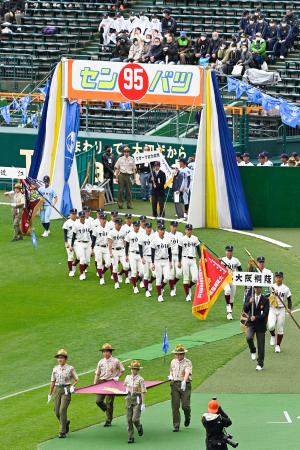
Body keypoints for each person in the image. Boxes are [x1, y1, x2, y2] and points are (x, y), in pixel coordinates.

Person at [48, 349, 78, 439]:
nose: (60, 359)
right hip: (57, 390)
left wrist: (72, 386)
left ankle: (62, 432)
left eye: (62, 357)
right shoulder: (55, 369)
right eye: (58, 358)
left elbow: (76, 379)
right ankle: (66, 422)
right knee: (56, 411)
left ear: (65, 359)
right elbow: (53, 382)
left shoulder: (70, 368)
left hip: (66, 389)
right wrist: (49, 394)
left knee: (62, 410)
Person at [94, 343, 125, 427]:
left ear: (110, 352)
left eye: (107, 351)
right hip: (101, 382)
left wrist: (117, 377)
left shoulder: (116, 361)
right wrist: (94, 384)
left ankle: (109, 419)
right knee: (98, 401)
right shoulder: (100, 362)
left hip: (111, 383)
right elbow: (97, 374)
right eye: (104, 352)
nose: (105, 353)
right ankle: (107, 410)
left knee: (109, 402)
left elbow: (122, 370)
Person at [243, 286, 270, 371]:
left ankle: (260, 363)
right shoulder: (249, 297)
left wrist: (256, 318)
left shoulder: (265, 300)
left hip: (260, 325)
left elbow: (265, 313)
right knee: (249, 337)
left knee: (261, 345)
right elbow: (245, 309)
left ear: (261, 288)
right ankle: (253, 350)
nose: (256, 289)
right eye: (255, 288)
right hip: (251, 323)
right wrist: (249, 303)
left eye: (258, 288)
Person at [168, 344, 192, 432]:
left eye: (180, 354)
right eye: (177, 354)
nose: (178, 356)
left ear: (183, 354)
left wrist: (184, 381)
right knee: (175, 406)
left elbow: (187, 372)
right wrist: (170, 376)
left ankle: (187, 416)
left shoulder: (187, 362)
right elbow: (171, 370)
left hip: (185, 385)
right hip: (174, 385)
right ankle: (176, 425)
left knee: (185, 406)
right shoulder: (173, 361)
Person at [268, 272, 292, 353]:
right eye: (277, 277)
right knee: (271, 326)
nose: (278, 279)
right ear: (275, 278)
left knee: (280, 329)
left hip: (281, 309)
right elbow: (266, 296)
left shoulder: (286, 288)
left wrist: (289, 308)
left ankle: (278, 345)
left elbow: (289, 300)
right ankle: (272, 335)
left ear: (282, 278)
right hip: (272, 308)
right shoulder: (271, 287)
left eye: (280, 277)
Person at [124, 360, 146, 444]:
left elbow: (142, 392)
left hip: (137, 399)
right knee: (128, 419)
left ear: (138, 370)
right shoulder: (127, 377)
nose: (134, 370)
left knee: (135, 419)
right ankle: (130, 437)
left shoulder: (141, 379)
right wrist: (127, 391)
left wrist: (143, 403)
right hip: (129, 398)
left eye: (136, 369)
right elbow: (125, 385)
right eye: (133, 369)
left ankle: (139, 427)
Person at [178, 224, 201, 302]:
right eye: (188, 229)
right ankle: (187, 295)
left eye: (190, 229)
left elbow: (198, 249)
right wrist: (179, 261)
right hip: (185, 259)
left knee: (195, 278)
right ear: (185, 230)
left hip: (193, 260)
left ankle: (189, 287)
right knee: (186, 278)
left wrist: (200, 258)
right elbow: (179, 251)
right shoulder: (182, 239)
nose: (189, 231)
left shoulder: (195, 238)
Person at [151, 224, 172, 302]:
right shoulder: (154, 240)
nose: (162, 231)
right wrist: (152, 263)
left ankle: (161, 288)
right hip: (157, 261)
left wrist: (170, 261)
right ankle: (159, 295)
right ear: (157, 230)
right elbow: (152, 253)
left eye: (163, 229)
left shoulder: (167, 240)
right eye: (161, 229)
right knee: (158, 278)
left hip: (166, 261)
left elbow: (170, 252)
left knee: (167, 277)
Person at [221, 246, 243, 320]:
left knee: (232, 298)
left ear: (232, 252)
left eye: (230, 251)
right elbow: (220, 269)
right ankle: (228, 309)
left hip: (233, 280)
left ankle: (229, 314)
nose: (229, 252)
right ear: (225, 252)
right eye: (228, 251)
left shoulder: (236, 260)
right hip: (225, 280)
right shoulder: (222, 260)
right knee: (227, 290)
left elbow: (240, 270)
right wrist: (222, 263)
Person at [70, 211, 92, 281]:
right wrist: (71, 245)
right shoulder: (76, 224)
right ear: (79, 217)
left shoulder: (88, 223)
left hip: (88, 243)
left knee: (87, 262)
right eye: (81, 217)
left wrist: (92, 244)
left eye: (84, 217)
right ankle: (82, 274)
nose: (83, 218)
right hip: (79, 243)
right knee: (82, 259)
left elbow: (91, 234)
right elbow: (73, 236)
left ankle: (75, 265)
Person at [108, 218, 130, 288]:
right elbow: (110, 244)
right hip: (114, 251)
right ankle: (116, 283)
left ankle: (120, 274)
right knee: (115, 267)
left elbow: (125, 242)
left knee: (126, 266)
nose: (119, 225)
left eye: (120, 224)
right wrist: (110, 253)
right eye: (118, 224)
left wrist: (127, 252)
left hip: (122, 250)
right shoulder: (111, 232)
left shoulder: (123, 232)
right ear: (115, 224)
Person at [91, 213, 111, 285]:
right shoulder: (96, 229)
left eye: (105, 219)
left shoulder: (108, 229)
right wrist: (92, 249)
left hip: (106, 247)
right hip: (98, 247)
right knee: (99, 263)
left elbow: (110, 239)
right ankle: (101, 278)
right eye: (102, 219)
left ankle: (101, 273)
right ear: (100, 220)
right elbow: (93, 240)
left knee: (108, 263)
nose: (104, 220)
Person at [125, 221, 143, 294]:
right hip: (132, 254)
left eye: (138, 226)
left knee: (141, 272)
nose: (137, 227)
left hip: (140, 254)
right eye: (136, 226)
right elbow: (127, 245)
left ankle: (135, 282)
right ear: (133, 226)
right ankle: (135, 287)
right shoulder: (129, 234)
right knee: (134, 271)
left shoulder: (142, 234)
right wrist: (126, 255)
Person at [139, 222, 154, 298]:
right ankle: (147, 291)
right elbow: (140, 248)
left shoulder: (154, 236)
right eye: (148, 228)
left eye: (150, 227)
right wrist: (141, 257)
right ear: (145, 228)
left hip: (152, 258)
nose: (149, 229)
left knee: (154, 274)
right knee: (146, 274)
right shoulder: (142, 236)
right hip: (145, 257)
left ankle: (150, 282)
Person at [168, 221, 183, 297]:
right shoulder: (167, 235)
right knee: (171, 274)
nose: (175, 228)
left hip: (178, 256)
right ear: (170, 226)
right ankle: (172, 290)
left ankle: (173, 283)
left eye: (176, 226)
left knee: (179, 274)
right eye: (173, 226)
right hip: (170, 256)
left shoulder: (180, 235)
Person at [62, 208, 78, 277]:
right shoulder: (67, 223)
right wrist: (66, 242)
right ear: (70, 214)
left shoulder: (79, 221)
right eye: (72, 214)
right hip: (69, 240)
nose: (74, 215)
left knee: (79, 256)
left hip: (77, 240)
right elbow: (65, 233)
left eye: (75, 214)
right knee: (70, 256)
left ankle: (74, 264)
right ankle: (71, 271)